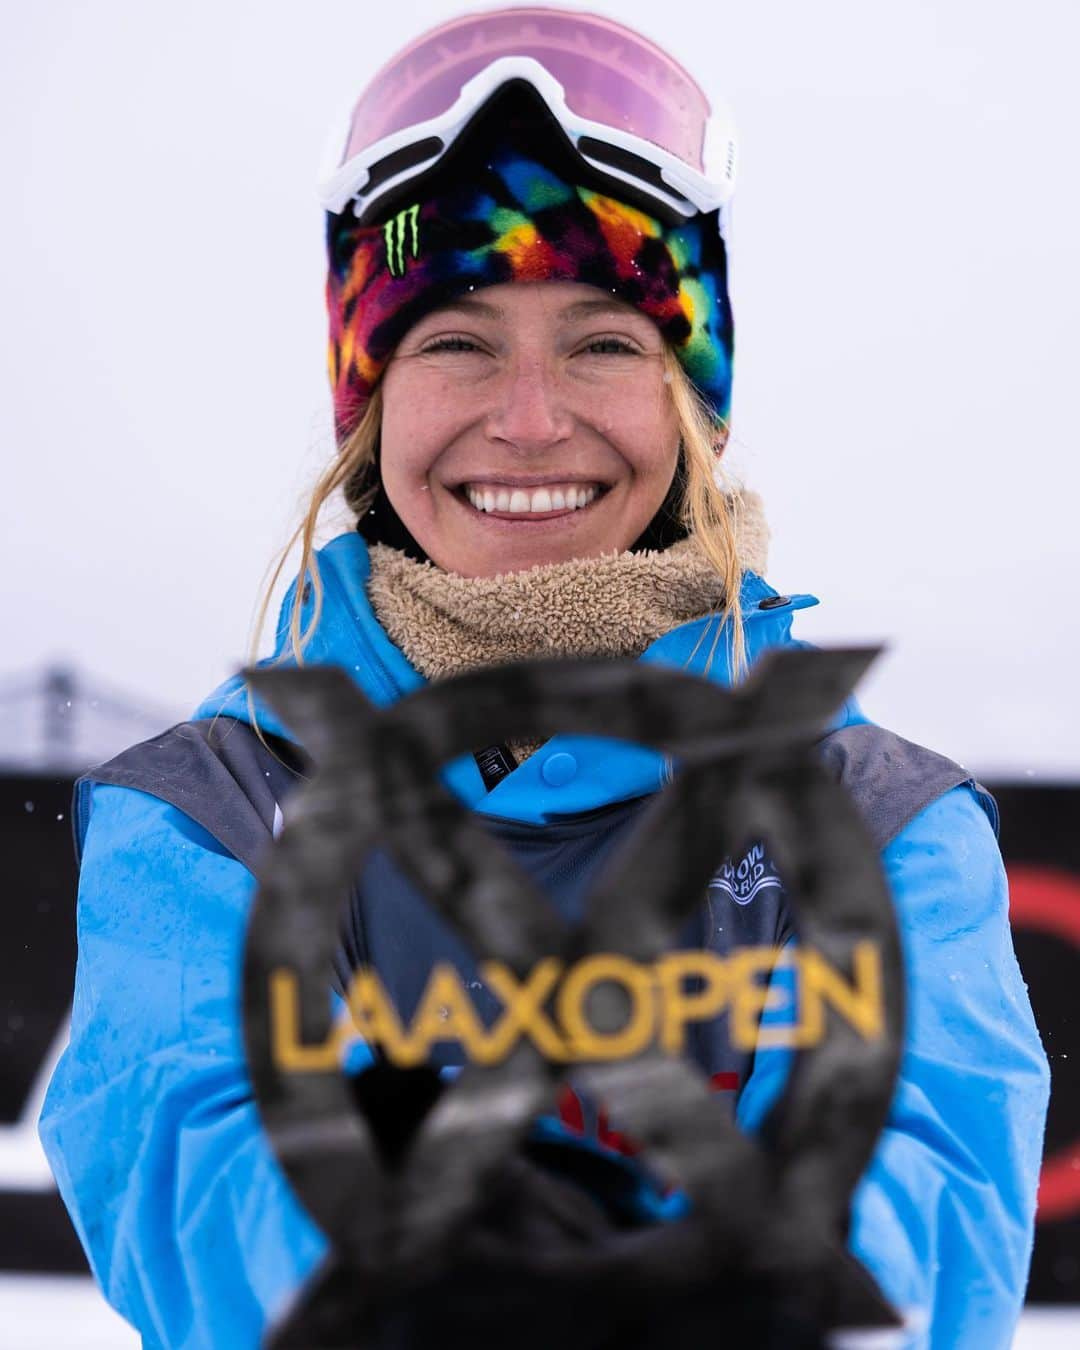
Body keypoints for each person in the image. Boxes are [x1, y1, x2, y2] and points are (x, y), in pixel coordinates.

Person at [39, 7, 1049, 1348]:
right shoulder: (208, 818)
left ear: (690, 396)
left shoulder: (888, 826)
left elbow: (926, 1214)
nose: (529, 419)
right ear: (372, 396)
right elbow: (194, 1173)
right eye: (454, 339)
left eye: (604, 340)